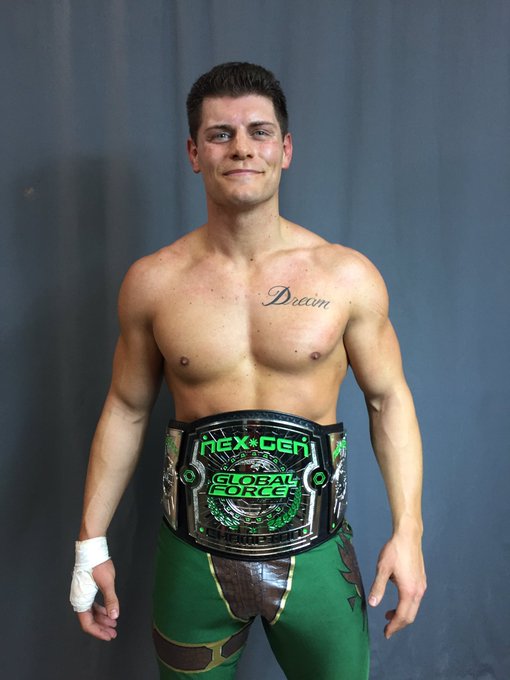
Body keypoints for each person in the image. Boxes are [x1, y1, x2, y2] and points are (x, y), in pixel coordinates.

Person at [70, 62, 426, 680]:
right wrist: (89, 542)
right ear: (194, 153)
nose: (241, 148)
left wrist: (409, 532)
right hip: (192, 557)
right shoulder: (153, 282)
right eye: (220, 134)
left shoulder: (345, 276)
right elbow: (126, 408)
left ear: (284, 149)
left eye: (259, 132)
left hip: (317, 554)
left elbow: (387, 399)